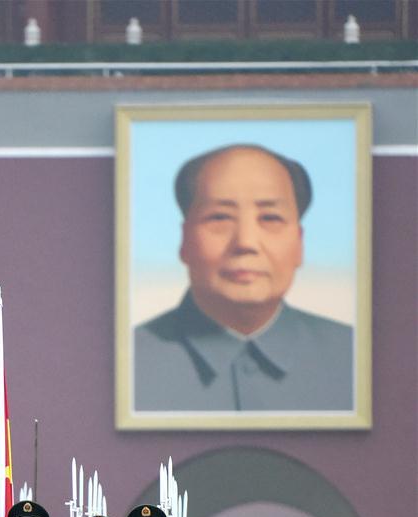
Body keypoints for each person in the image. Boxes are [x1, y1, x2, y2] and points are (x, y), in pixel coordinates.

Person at [134, 144, 353, 412]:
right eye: (220, 217)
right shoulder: (126, 362)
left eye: (270, 217)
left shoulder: (356, 357)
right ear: (184, 241)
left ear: (299, 243)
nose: (246, 242)